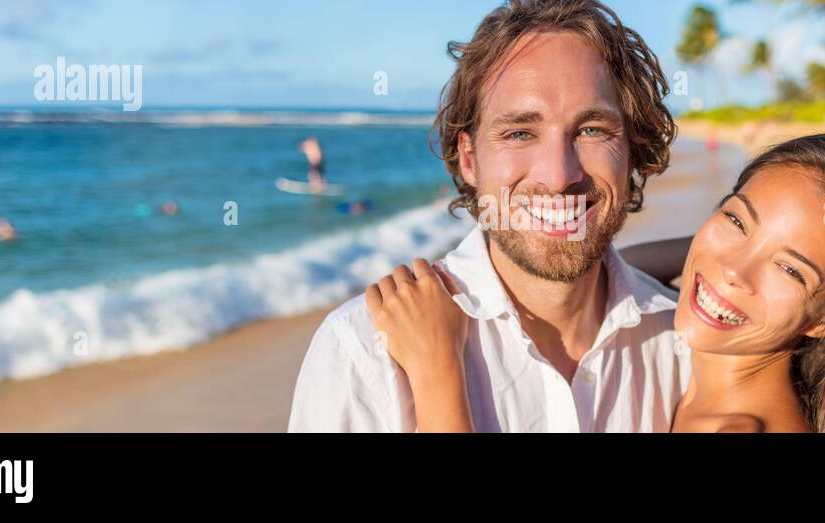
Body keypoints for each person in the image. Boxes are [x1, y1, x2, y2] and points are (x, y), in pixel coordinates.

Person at [288, 0, 681, 432]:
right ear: (470, 161)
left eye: (591, 130)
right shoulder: (363, 353)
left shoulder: (684, 344)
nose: (559, 176)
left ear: (632, 152)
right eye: (519, 132)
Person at [370, 134, 825, 432]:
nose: (734, 271)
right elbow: (632, 265)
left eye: (790, 269)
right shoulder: (712, 383)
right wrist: (716, 256)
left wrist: (436, 365)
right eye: (736, 219)